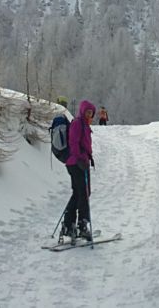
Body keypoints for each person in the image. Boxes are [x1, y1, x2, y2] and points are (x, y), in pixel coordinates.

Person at [61, 100, 96, 241]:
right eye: (87, 112)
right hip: (76, 163)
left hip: (80, 163)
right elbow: (73, 142)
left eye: (91, 113)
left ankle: (69, 225)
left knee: (80, 193)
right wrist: (81, 158)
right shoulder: (77, 123)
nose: (89, 115)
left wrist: (87, 158)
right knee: (83, 193)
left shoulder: (85, 125)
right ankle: (81, 225)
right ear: (82, 111)